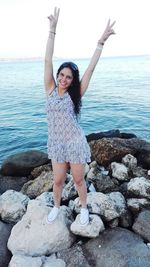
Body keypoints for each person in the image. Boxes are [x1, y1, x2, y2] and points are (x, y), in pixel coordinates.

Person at [45, 7, 115, 225]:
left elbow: (91, 70)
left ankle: (84, 208)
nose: (64, 79)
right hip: (57, 143)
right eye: (62, 75)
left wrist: (100, 43)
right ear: (58, 75)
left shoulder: (75, 95)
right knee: (57, 180)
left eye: (69, 77)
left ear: (73, 80)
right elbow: (47, 60)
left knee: (77, 179)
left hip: (74, 142)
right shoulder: (49, 88)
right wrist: (52, 30)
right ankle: (57, 207)